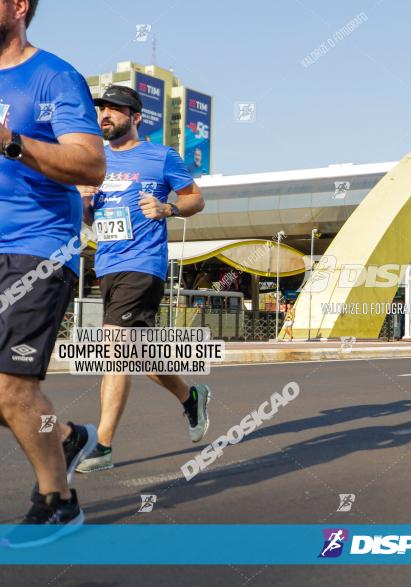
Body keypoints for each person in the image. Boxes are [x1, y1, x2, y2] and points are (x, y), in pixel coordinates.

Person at [0, 0, 105, 536]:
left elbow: (90, 162)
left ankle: (58, 500)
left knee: (9, 386)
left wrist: (11, 141)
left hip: (36, 246)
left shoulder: (54, 77)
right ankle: (63, 434)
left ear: (18, 7)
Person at [75, 85, 210, 473]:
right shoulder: (93, 161)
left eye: (115, 110)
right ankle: (190, 397)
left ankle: (102, 446)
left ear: (135, 118)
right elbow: (91, 219)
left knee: (114, 349)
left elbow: (195, 199)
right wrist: (85, 201)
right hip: (108, 265)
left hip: (144, 263)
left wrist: (168, 207)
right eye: (102, 109)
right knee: (139, 355)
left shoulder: (160, 156)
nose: (105, 115)